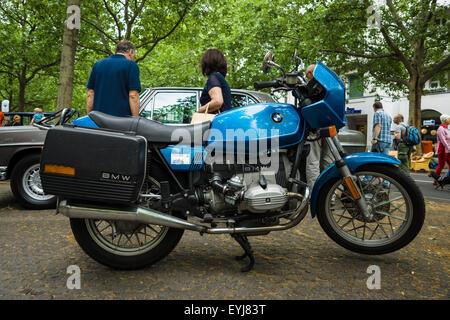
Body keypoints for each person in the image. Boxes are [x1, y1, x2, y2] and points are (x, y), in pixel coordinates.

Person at [86, 40, 141, 117]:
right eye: (134, 55)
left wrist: (89, 117)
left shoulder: (97, 65)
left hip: (98, 120)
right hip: (121, 121)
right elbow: (133, 95)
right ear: (131, 52)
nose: (133, 58)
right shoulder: (131, 65)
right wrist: (135, 120)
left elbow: (90, 94)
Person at [304, 64, 333, 188]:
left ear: (311, 72)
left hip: (314, 127)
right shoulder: (328, 86)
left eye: (307, 74)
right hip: (330, 124)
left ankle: (314, 194)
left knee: (313, 162)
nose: (307, 77)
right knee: (329, 162)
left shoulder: (309, 87)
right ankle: (329, 195)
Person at [197, 49, 232, 114]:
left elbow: (217, 101)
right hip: (224, 120)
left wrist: (199, 111)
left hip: (216, 121)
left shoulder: (214, 78)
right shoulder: (219, 78)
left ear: (207, 62)